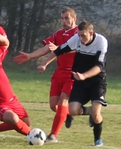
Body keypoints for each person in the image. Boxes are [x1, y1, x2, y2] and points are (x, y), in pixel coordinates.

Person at [13, 8, 79, 142]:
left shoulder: (79, 33)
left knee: (63, 100)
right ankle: (67, 114)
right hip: (59, 72)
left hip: (73, 73)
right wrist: (32, 57)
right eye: (62, 18)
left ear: (74, 19)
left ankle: (53, 135)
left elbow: (79, 50)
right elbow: (47, 48)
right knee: (53, 105)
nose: (64, 21)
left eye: (67, 18)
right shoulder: (59, 33)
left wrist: (61, 50)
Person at [41, 20, 108, 146]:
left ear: (91, 33)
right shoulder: (76, 38)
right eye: (79, 35)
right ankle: (90, 112)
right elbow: (58, 51)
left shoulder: (101, 41)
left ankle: (98, 140)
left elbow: (99, 66)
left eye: (84, 35)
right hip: (81, 81)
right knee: (72, 110)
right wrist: (44, 63)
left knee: (96, 113)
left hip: (97, 81)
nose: (81, 38)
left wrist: (84, 75)